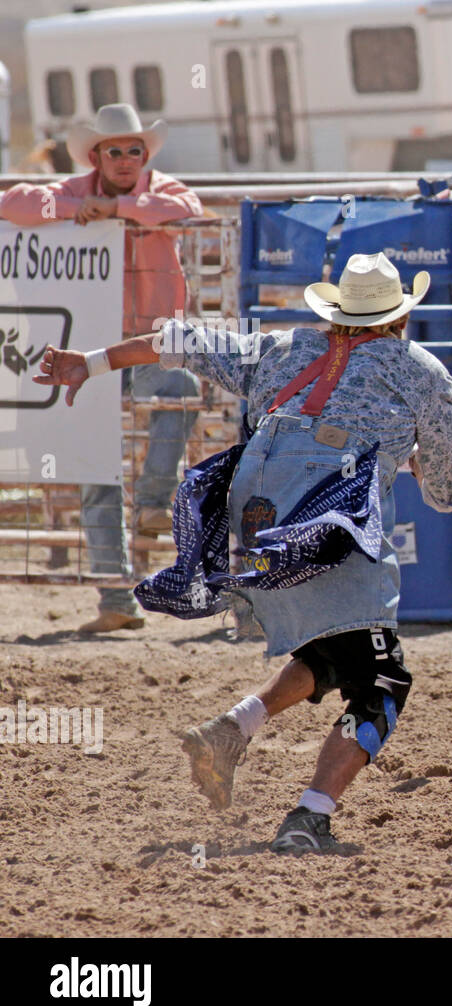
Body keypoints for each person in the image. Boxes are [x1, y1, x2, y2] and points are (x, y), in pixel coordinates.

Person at [34, 252, 452, 853]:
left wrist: (90, 361)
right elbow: (448, 492)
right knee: (382, 678)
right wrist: (411, 461)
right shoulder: (422, 371)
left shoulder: (281, 349)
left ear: (338, 311)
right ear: (399, 318)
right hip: (324, 516)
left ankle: (231, 730)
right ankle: (310, 816)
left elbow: (177, 342)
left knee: (336, 645)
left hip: (255, 517)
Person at [0, 103, 205, 633]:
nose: (125, 159)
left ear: (143, 155)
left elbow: (186, 208)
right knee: (96, 466)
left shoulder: (160, 191)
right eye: (115, 150)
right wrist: (77, 210)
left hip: (143, 345)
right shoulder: (72, 193)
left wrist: (117, 212)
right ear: (97, 155)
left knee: (179, 390)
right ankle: (116, 597)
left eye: (134, 150)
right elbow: (16, 203)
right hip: (89, 350)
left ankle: (155, 501)